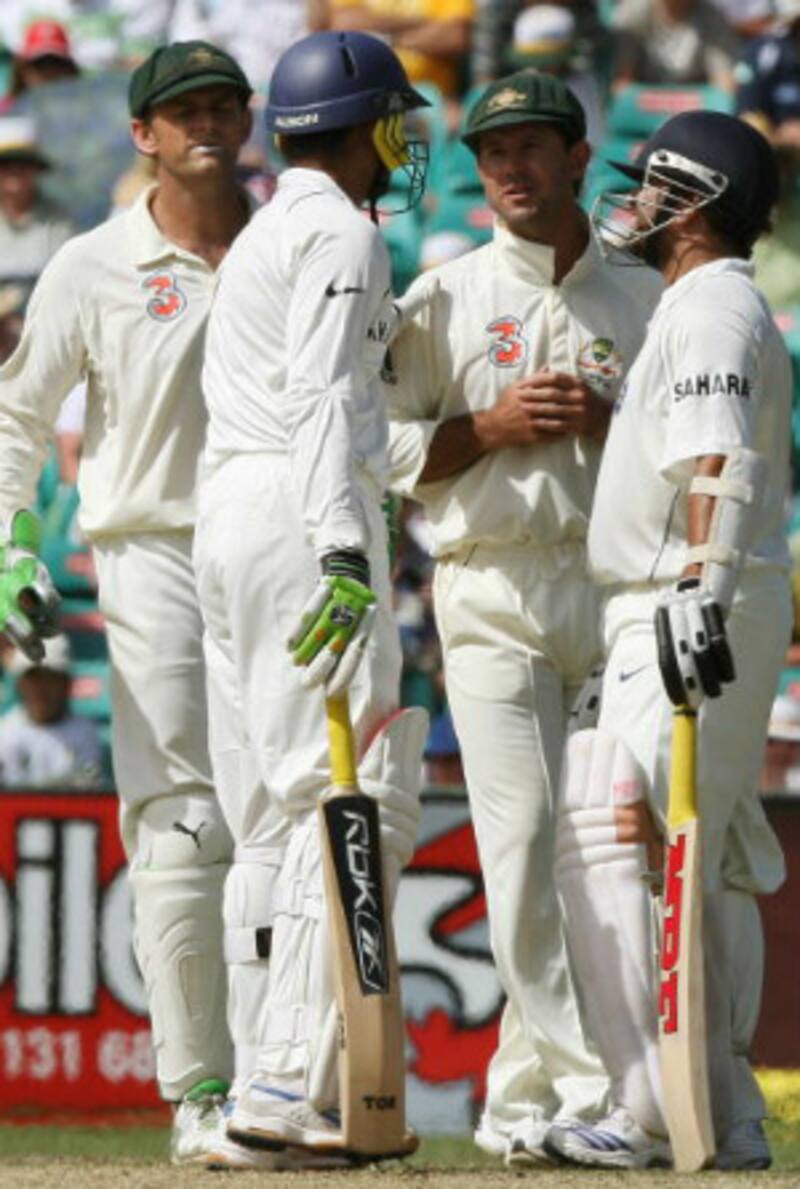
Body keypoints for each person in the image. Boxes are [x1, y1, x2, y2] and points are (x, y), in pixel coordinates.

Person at [0, 40, 276, 1169]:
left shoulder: (291, 248)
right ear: (141, 135)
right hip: (149, 546)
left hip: (278, 549)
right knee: (184, 820)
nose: (205, 123)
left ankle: (280, 1080)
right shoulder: (91, 263)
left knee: (280, 820)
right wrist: (18, 548)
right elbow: (19, 417)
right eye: (182, 110)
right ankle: (198, 1091)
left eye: (223, 104)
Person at [384, 69, 661, 1165]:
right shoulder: (441, 297)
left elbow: (689, 449)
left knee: (602, 857)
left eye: (532, 147)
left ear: (576, 156)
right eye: (492, 151)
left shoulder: (642, 300)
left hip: (607, 590)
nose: (510, 168)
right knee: (525, 841)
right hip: (487, 585)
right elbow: (385, 452)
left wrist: (613, 423)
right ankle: (598, 1087)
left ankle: (515, 1102)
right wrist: (485, 427)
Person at [193, 29, 430, 1160]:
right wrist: (343, 549)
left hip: (231, 517)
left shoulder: (261, 233)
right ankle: (285, 1080)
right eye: (399, 120)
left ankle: (259, 1077)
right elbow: (325, 399)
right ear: (368, 122)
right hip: (300, 512)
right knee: (341, 787)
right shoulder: (340, 230)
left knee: (265, 805)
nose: (406, 142)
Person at [544, 111, 790, 1171]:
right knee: (712, 851)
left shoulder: (707, 310)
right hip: (705, 595)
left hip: (682, 599)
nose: (631, 205)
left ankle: (644, 1104)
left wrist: (699, 583)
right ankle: (724, 1110)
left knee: (616, 830)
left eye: (648, 188)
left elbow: (716, 461)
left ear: (693, 204)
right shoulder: (705, 304)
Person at [0, 632, 102, 787]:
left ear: (66, 683)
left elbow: (88, 795)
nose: (41, 688)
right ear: (20, 684)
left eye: (50, 677)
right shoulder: (5, 733)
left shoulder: (86, 733)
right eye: (34, 678)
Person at [0, 115, 75, 300]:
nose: (15, 173)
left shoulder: (59, 220)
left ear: (35, 170)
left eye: (23, 165)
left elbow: (68, 278)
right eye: (6, 165)